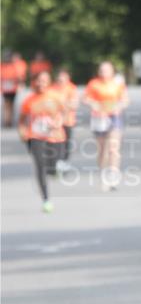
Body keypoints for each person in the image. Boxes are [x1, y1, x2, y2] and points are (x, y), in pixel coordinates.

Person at [18, 70, 66, 212]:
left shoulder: (56, 97)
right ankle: (46, 199)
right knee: (40, 167)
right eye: (38, 81)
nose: (41, 84)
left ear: (49, 82)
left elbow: (64, 113)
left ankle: (54, 170)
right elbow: (22, 120)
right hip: (35, 136)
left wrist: (57, 123)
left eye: (44, 81)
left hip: (56, 136)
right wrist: (23, 133)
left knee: (52, 166)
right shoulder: (29, 100)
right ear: (34, 82)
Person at [83, 61, 129, 191]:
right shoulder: (94, 84)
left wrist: (119, 107)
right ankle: (103, 175)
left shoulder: (118, 84)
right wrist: (93, 104)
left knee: (113, 148)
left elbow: (125, 100)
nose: (104, 73)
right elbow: (85, 99)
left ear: (112, 71)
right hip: (99, 118)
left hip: (114, 117)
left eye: (107, 70)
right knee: (102, 150)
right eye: (102, 70)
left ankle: (113, 176)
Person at [52, 69, 79, 168]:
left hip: (68, 120)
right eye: (59, 78)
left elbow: (74, 104)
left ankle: (65, 161)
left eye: (63, 78)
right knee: (57, 142)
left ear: (68, 78)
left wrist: (62, 105)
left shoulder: (71, 88)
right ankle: (57, 161)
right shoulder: (52, 88)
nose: (61, 80)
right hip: (55, 121)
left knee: (67, 142)